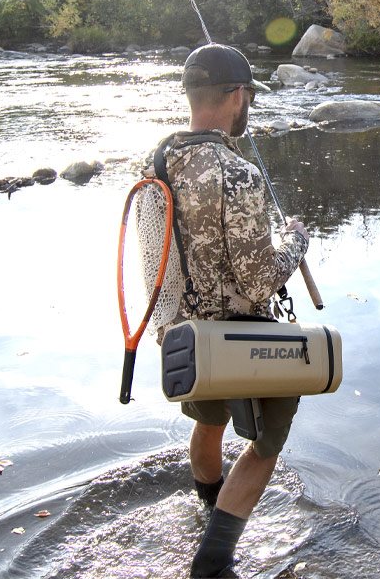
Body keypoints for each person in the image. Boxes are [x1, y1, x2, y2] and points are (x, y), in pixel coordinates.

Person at [144, 43, 309, 578]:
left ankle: (209, 512)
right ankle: (213, 561)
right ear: (238, 95)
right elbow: (260, 277)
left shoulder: (157, 160)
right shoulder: (239, 175)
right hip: (241, 341)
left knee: (210, 424)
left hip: (185, 338)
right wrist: (296, 241)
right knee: (267, 442)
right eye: (249, 96)